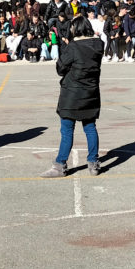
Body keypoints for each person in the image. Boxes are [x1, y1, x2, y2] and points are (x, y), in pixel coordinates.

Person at [41, 16, 104, 178]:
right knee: (90, 127)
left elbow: (60, 68)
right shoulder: (98, 45)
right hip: (91, 92)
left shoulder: (74, 47)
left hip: (72, 94)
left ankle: (60, 165)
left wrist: (68, 48)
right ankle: (93, 163)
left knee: (67, 130)